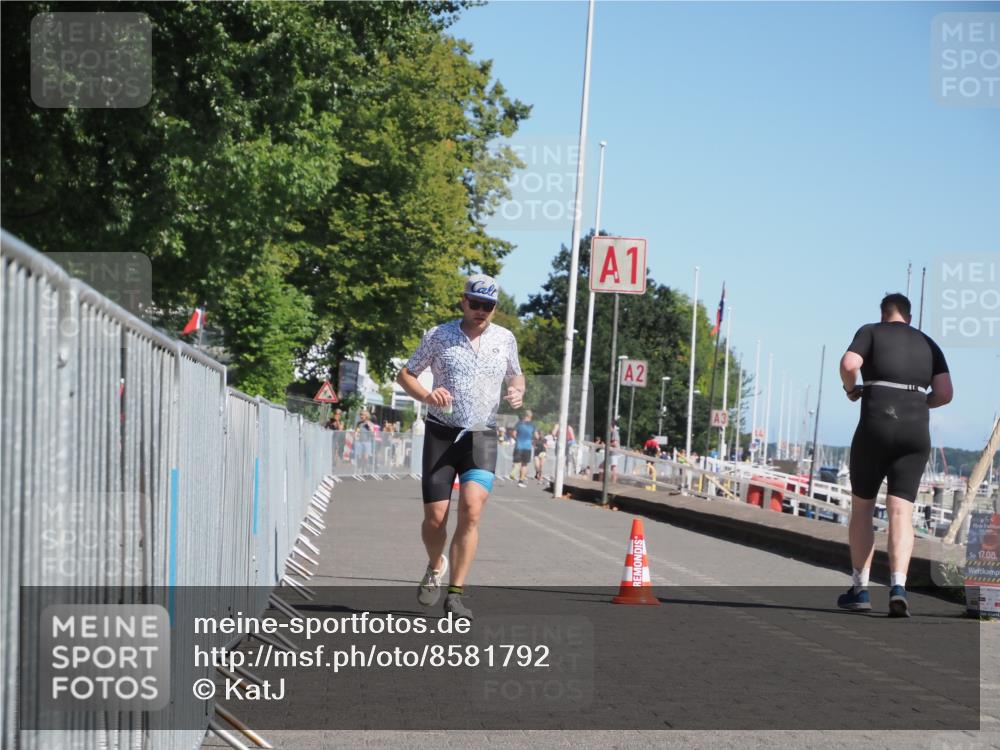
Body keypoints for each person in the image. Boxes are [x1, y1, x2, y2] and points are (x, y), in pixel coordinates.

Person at [396, 274, 525, 620]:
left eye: (489, 306)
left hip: (481, 435)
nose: (482, 310)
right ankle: (436, 563)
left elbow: (516, 374)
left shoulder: (505, 338)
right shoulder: (439, 336)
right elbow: (405, 374)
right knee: (435, 520)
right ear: (463, 301)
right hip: (441, 433)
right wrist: (426, 394)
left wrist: (517, 390)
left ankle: (455, 595)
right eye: (476, 303)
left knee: (471, 508)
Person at [837, 293, 952, 617]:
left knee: (863, 507)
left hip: (876, 425)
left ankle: (860, 589)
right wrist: (918, 404)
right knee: (901, 511)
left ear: (883, 313)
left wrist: (850, 389)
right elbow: (944, 393)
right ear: (909, 317)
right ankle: (898, 587)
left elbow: (849, 364)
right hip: (915, 432)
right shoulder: (929, 343)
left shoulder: (870, 331)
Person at [510, 410, 535, 487]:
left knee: (517, 462)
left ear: (524, 416)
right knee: (524, 464)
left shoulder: (519, 423)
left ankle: (515, 470)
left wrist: (517, 439)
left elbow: (513, 433)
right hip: (527, 447)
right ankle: (521, 481)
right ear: (530, 417)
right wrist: (533, 440)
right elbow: (537, 436)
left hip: (519, 445)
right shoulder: (532, 425)